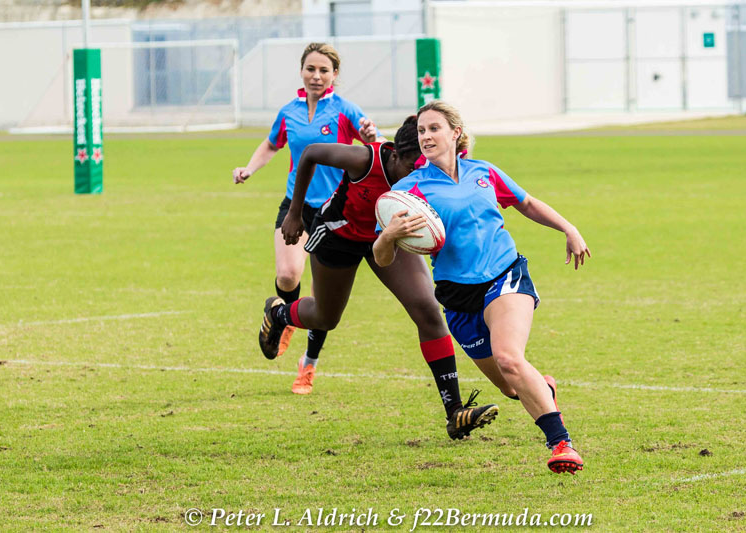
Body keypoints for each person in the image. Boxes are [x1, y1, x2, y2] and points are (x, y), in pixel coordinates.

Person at [372, 101, 591, 474]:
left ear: (455, 133)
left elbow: (526, 203)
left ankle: (561, 444)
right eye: (422, 130)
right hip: (458, 297)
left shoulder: (483, 172)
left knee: (509, 357)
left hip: (504, 275)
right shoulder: (408, 190)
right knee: (511, 386)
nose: (426, 136)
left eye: (434, 128)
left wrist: (568, 229)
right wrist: (389, 235)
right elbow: (382, 258)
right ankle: (544, 389)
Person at [258, 115, 499, 439]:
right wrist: (295, 212)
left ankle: (455, 411)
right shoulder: (364, 159)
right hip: (338, 236)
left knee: (428, 311)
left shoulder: (425, 172)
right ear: (395, 155)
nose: (417, 176)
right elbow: (312, 152)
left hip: (388, 237)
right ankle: (278, 314)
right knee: (326, 318)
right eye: (411, 168)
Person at [233, 43, 382, 394]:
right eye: (310, 69)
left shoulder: (345, 110)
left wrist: (373, 137)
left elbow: (377, 145)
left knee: (321, 295)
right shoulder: (289, 111)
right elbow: (272, 144)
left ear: (335, 75)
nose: (316, 76)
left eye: (324, 70)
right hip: (296, 206)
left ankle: (308, 365)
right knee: (287, 275)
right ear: (301, 71)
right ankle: (285, 318)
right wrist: (249, 168)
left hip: (334, 213)